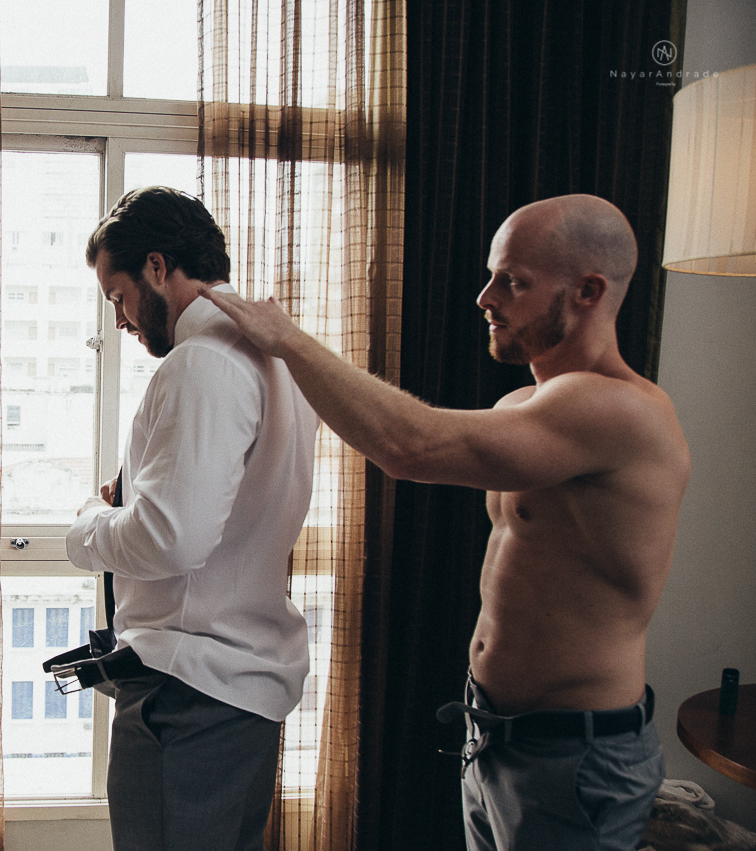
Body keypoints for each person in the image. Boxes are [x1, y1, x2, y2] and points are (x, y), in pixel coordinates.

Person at [199, 194, 691, 851]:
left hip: (573, 758)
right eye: (491, 275)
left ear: (589, 291)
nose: (485, 297)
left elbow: (413, 446)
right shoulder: (526, 403)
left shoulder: (620, 410)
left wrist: (286, 339)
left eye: (512, 281)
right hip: (492, 735)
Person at [65, 186, 320, 851]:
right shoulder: (279, 362)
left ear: (157, 266)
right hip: (237, 692)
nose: (119, 319)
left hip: (188, 696)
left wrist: (90, 524)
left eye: (117, 296)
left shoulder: (200, 362)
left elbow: (171, 538)